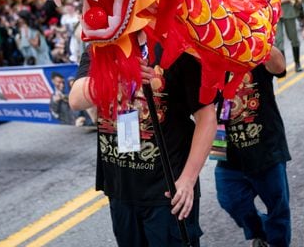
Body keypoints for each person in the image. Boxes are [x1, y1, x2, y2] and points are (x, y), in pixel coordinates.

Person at [68, 37, 216, 246]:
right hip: (120, 189)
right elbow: (75, 99)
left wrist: (188, 180)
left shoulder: (177, 45)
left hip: (168, 192)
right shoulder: (100, 48)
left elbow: (207, 117)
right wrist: (118, 74)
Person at [214, 46, 291, 247]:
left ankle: (277, 243)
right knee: (229, 200)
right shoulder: (205, 55)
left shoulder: (252, 45)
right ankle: (260, 230)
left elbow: (279, 66)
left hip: (266, 147)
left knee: (278, 207)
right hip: (225, 146)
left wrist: (257, 39)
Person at [276, 0, 304, 72]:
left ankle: (297, 63)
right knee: (278, 41)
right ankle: (282, 68)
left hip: (289, 11)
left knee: (294, 38)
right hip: (276, 13)